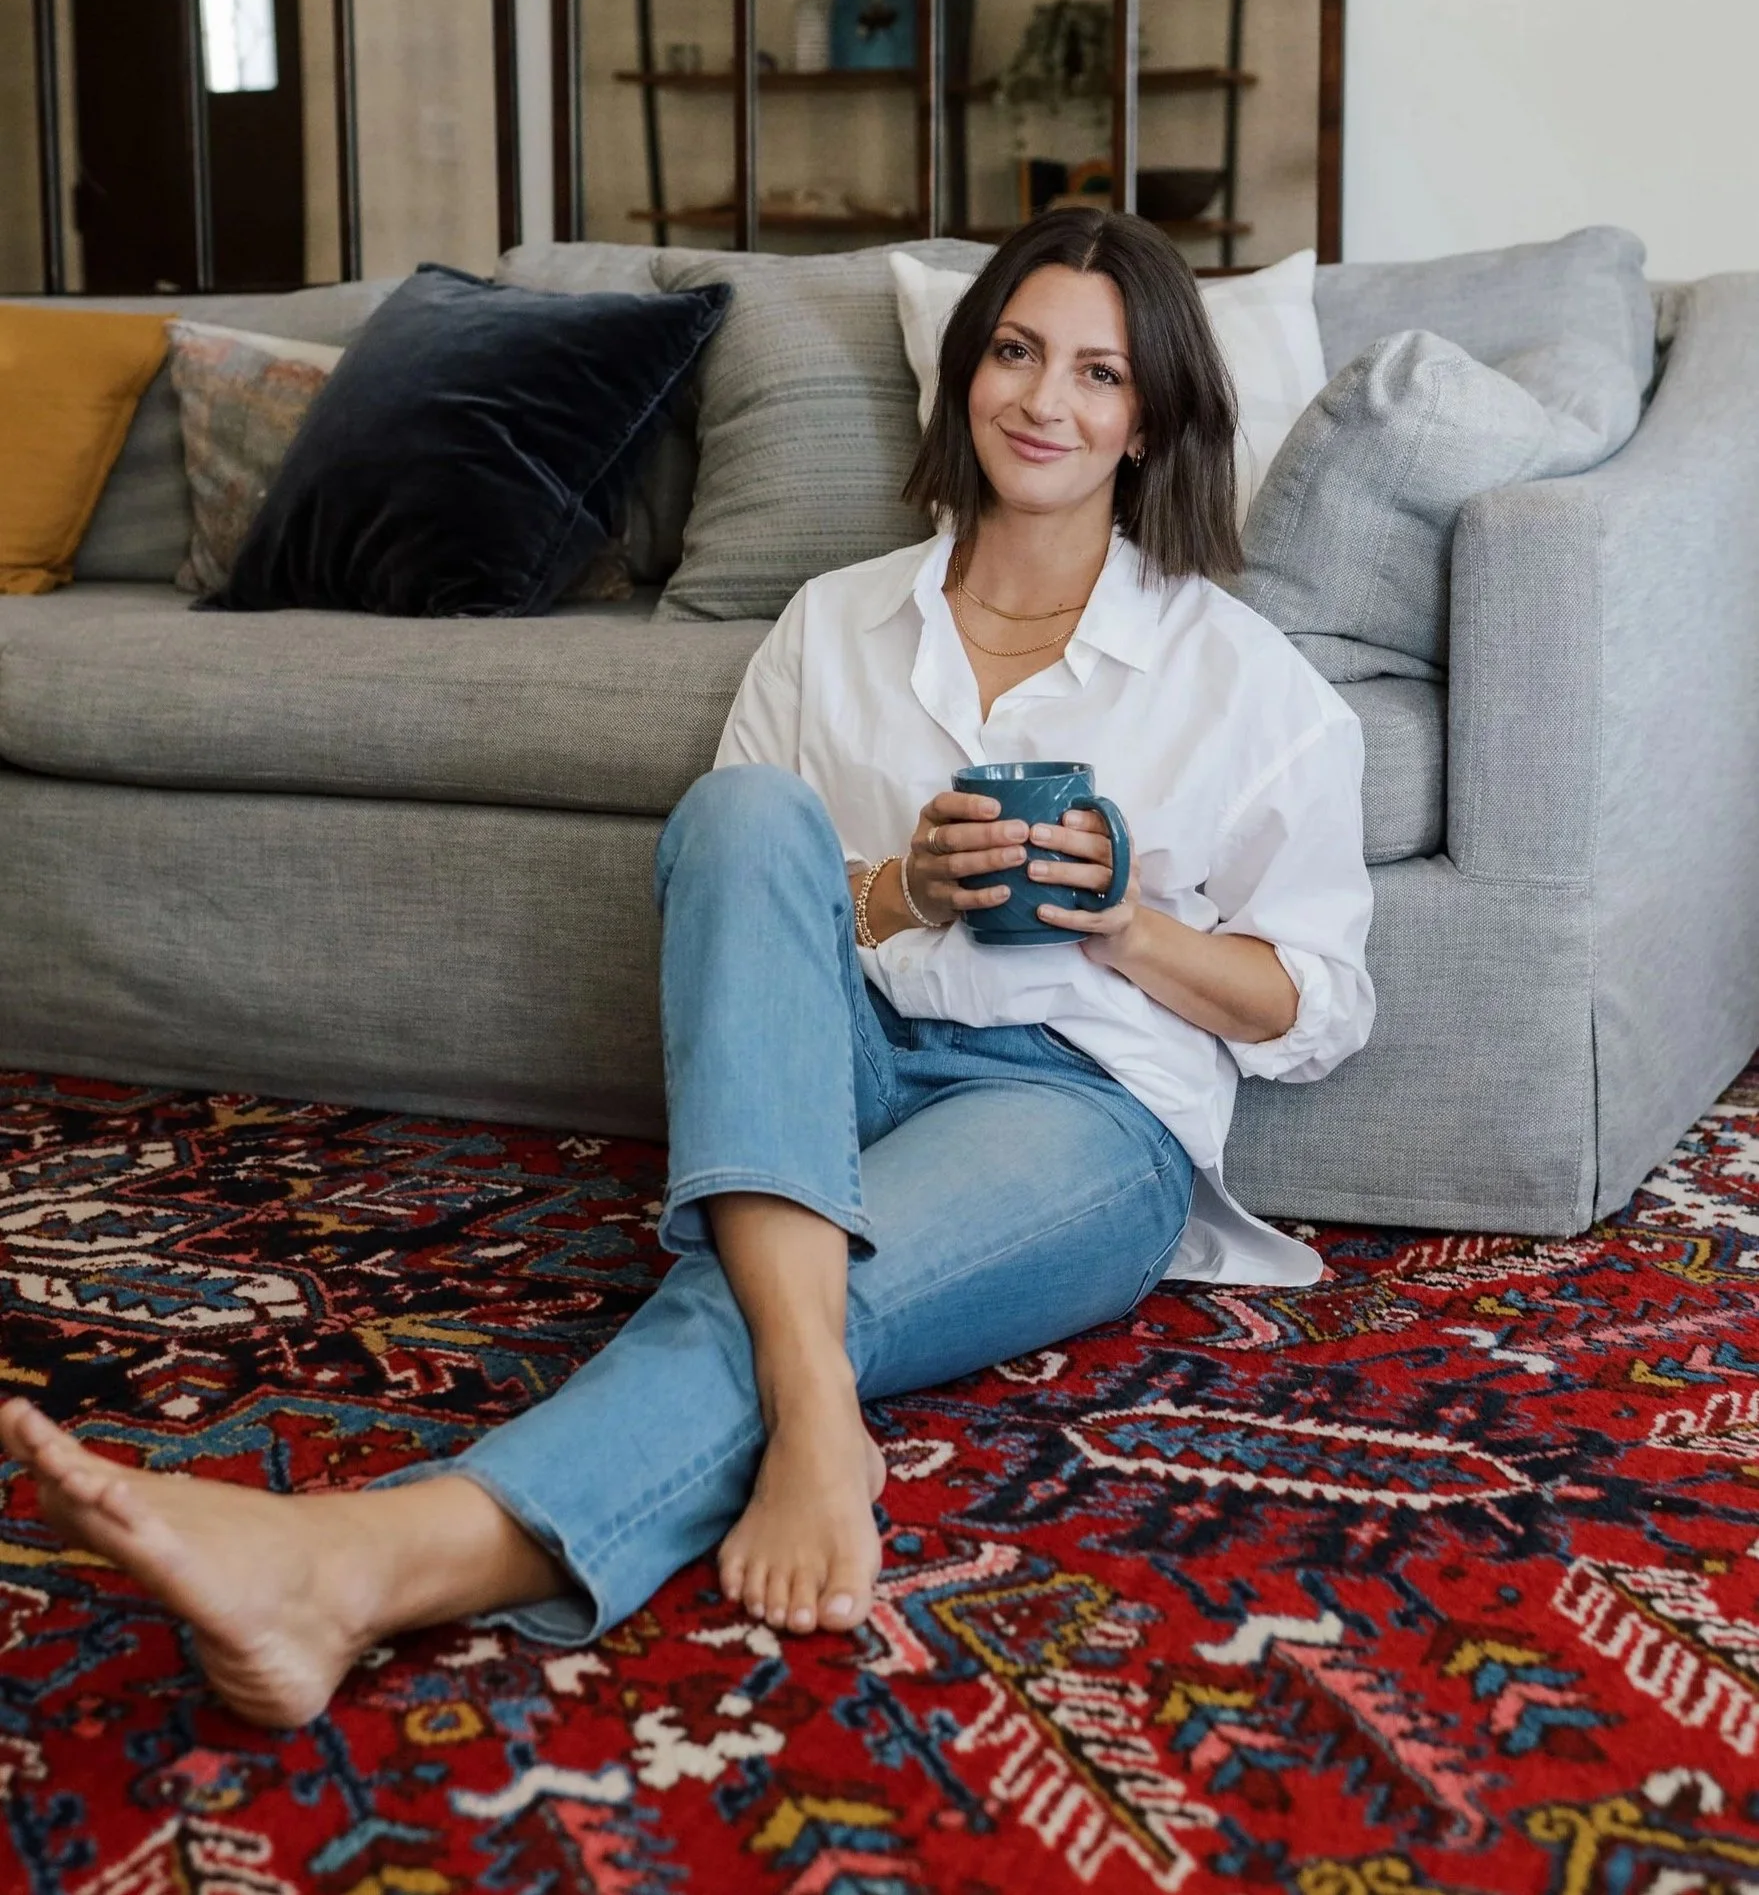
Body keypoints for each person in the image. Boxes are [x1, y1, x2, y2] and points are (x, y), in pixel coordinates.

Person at [0, 206, 1373, 1730]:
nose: (1045, 401)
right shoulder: (831, 622)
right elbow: (744, 910)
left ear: (1149, 418)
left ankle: (359, 1558)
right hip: (836, 1065)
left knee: (748, 1282)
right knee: (738, 812)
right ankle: (812, 1405)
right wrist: (899, 887)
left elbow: (1316, 1004)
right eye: (1016, 350)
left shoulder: (1238, 675)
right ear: (966, 373)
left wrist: (1124, 925)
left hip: (1076, 1107)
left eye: (1099, 374)